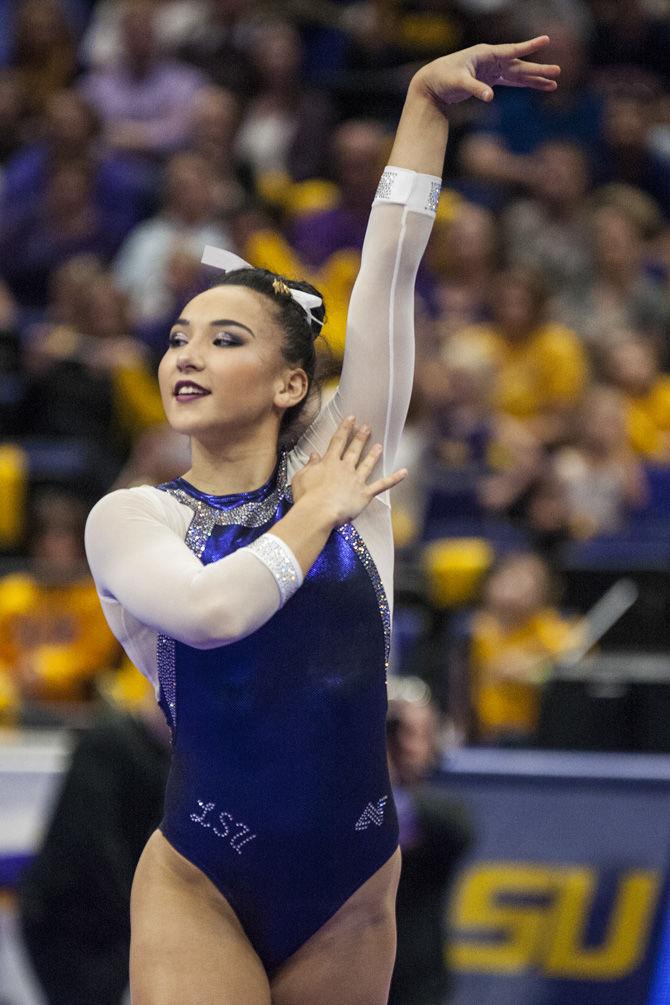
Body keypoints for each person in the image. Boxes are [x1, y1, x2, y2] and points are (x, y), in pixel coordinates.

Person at [84, 37, 560, 1004]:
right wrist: (319, 513)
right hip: (201, 875)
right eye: (179, 337)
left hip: (352, 881)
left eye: (226, 339)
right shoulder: (135, 517)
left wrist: (424, 104)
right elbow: (213, 614)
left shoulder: (347, 472)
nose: (188, 353)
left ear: (291, 381)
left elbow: (386, 278)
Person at [386, 682, 474, 1005]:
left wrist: (383, 784)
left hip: (419, 985)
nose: (405, 745)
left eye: (417, 733)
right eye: (396, 732)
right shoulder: (344, 809)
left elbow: (455, 831)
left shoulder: (443, 817)